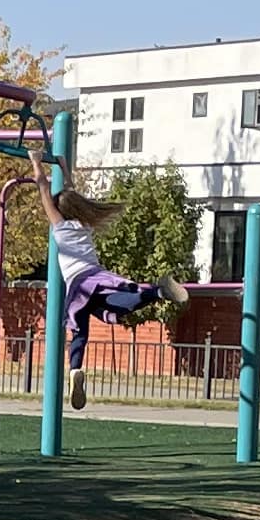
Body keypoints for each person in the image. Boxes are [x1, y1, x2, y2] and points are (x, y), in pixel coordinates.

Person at [23, 130, 186, 412]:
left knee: (80, 333)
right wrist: (62, 167)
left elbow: (42, 189)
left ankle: (75, 367)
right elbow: (70, 194)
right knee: (121, 304)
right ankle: (157, 291)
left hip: (79, 284)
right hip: (95, 277)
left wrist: (36, 162)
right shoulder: (83, 224)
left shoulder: (59, 228)